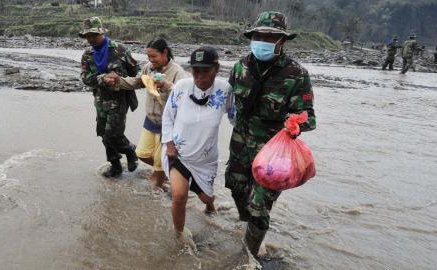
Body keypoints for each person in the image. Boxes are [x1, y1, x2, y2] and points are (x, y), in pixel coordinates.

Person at [225, 11, 316, 264]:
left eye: (270, 36)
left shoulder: (296, 74)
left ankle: (248, 257)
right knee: (236, 188)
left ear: (282, 41)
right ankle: (249, 227)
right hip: (240, 145)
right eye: (258, 35)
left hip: (273, 156)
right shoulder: (240, 67)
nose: (262, 40)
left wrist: (296, 124)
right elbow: (228, 102)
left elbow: (309, 116)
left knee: (259, 207)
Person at [162, 47, 235, 242]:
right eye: (196, 71)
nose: (200, 76)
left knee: (206, 198)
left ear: (217, 68)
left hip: (205, 158)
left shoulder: (225, 90)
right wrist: (169, 144)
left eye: (206, 71)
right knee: (179, 196)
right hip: (178, 152)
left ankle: (210, 204)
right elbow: (168, 117)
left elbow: (236, 118)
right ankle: (179, 236)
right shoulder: (181, 87)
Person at [107, 38, 186, 189]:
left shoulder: (177, 71)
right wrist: (118, 80)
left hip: (168, 123)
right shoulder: (148, 68)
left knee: (158, 159)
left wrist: (166, 85)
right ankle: (167, 170)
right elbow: (136, 82)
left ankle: (158, 188)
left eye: (154, 56)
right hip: (150, 119)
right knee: (141, 153)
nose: (151, 60)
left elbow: (183, 94)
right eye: (148, 57)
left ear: (165, 53)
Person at [80, 17, 140, 177]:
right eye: (88, 36)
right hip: (100, 100)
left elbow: (136, 70)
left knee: (113, 134)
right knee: (103, 133)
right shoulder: (87, 55)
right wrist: (102, 78)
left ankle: (131, 151)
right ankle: (115, 166)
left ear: (101, 32)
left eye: (93, 35)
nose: (90, 39)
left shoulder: (119, 50)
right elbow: (85, 78)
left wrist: (133, 81)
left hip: (119, 100)